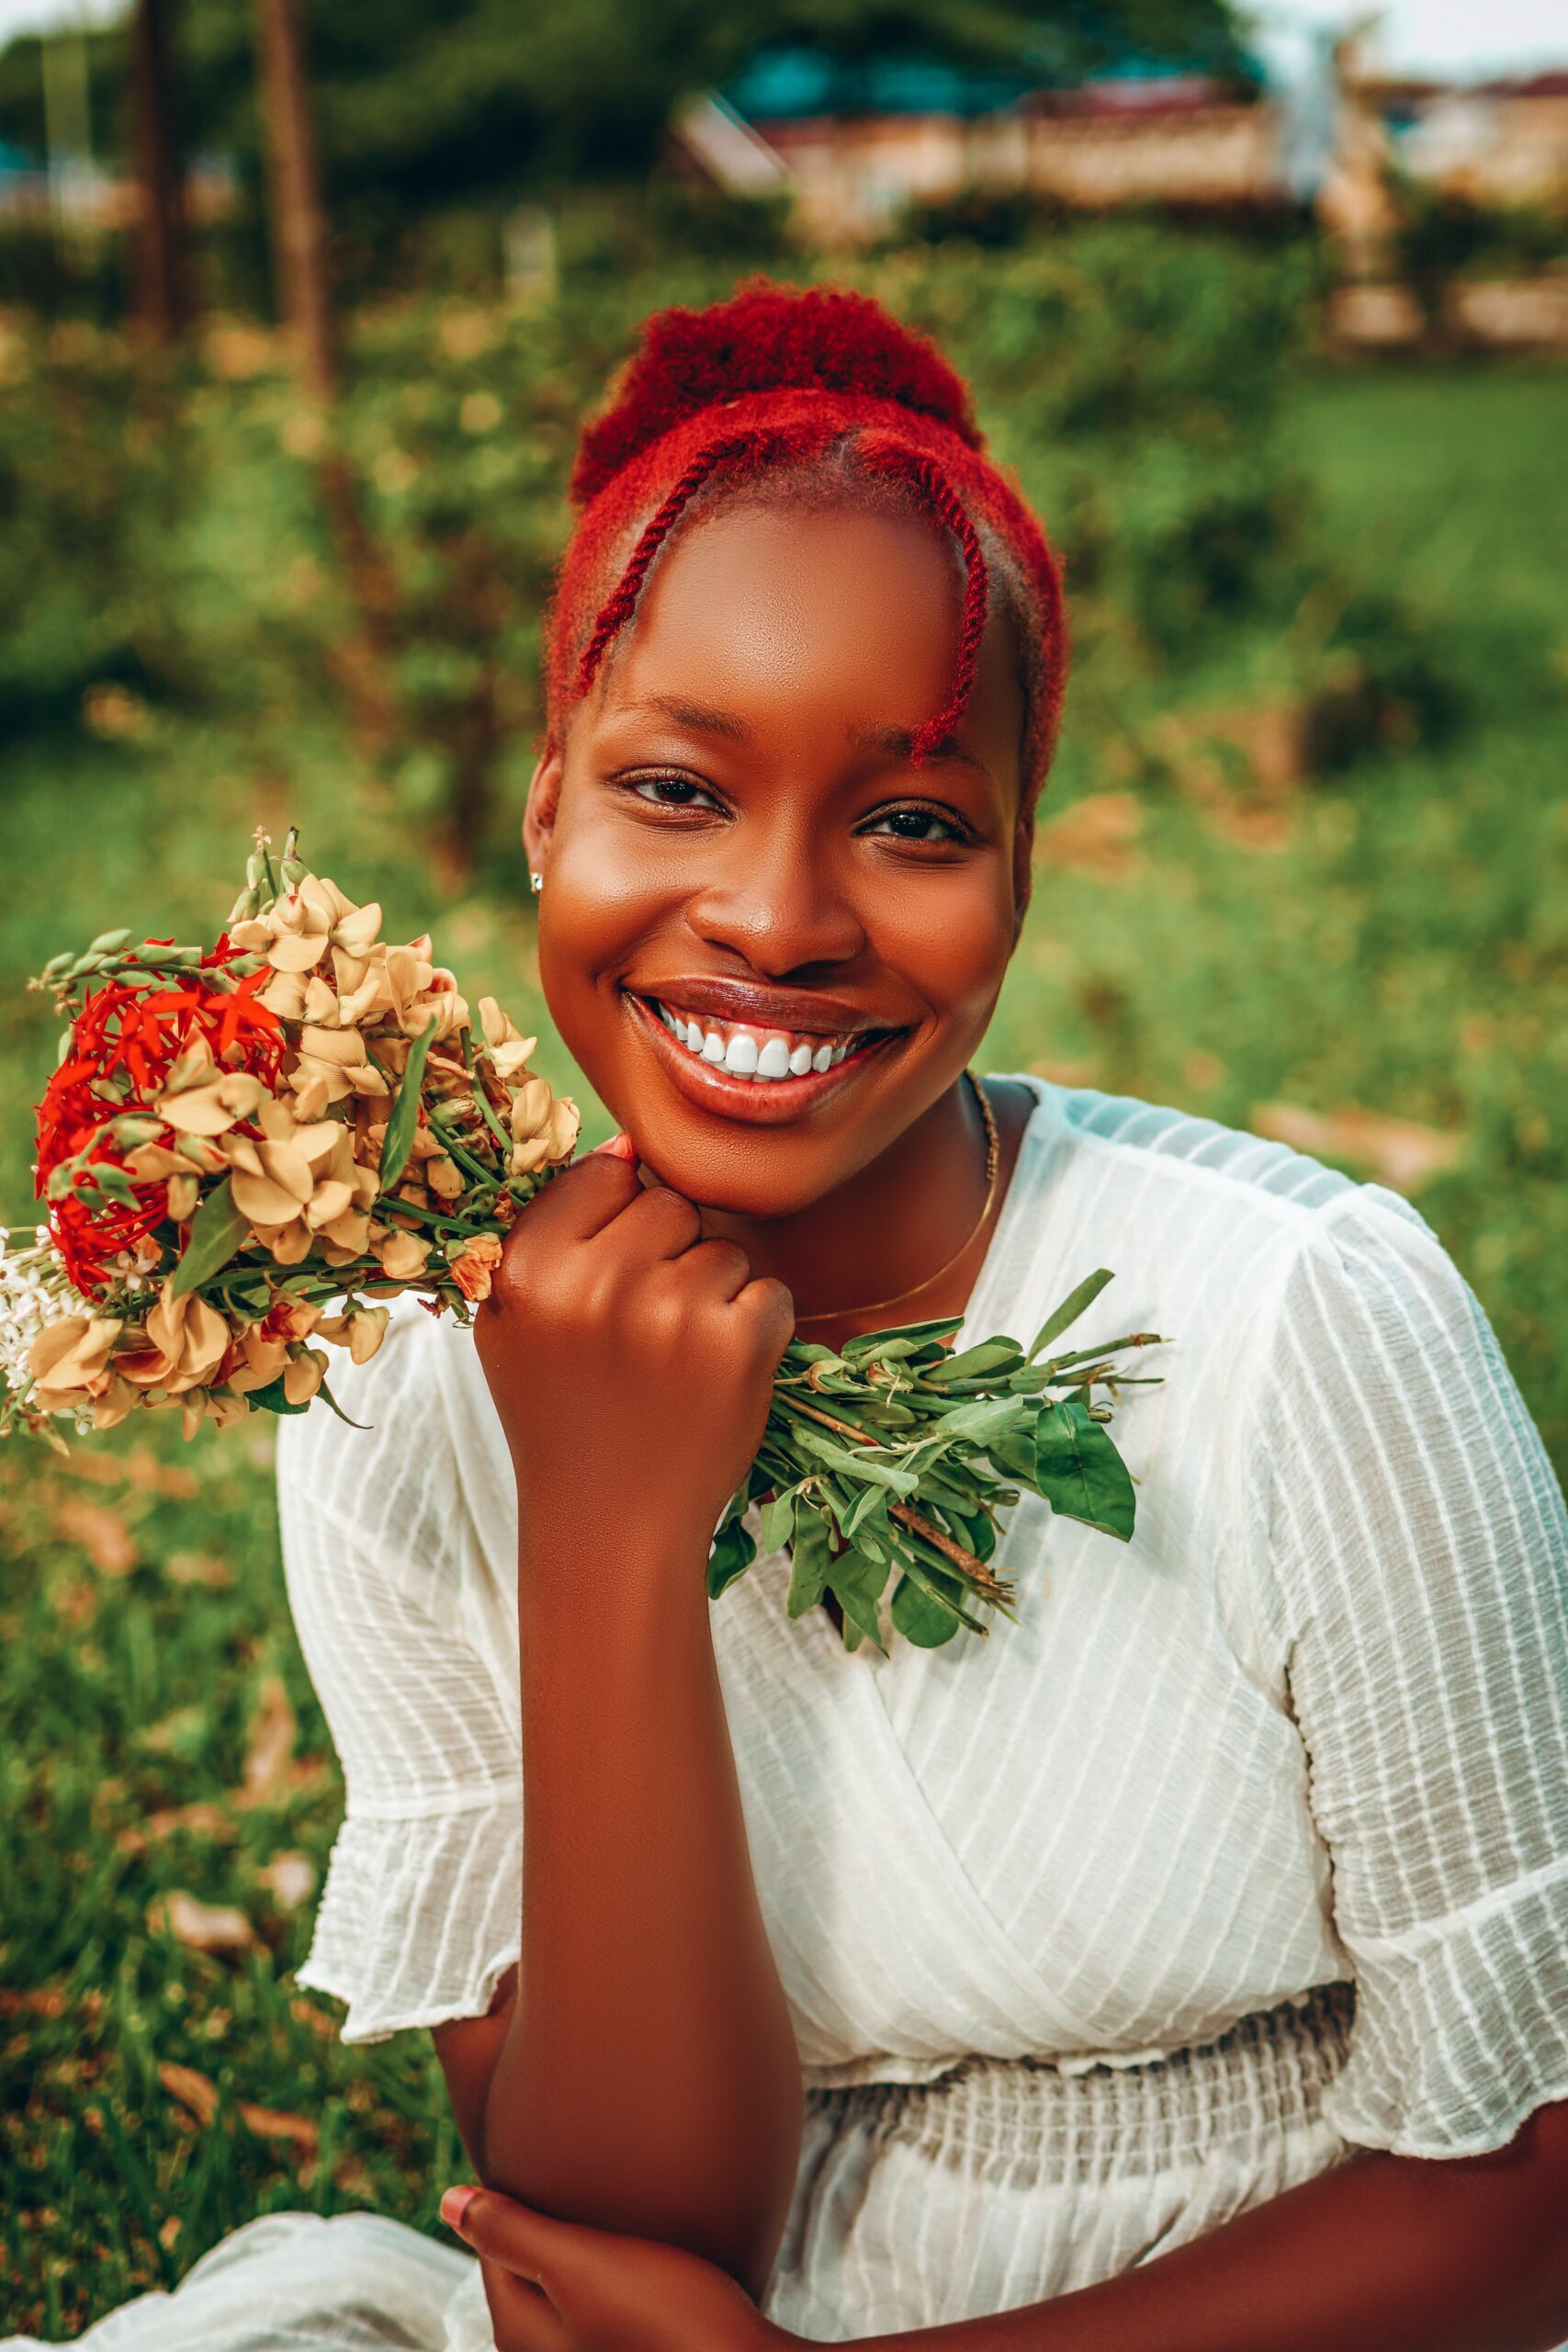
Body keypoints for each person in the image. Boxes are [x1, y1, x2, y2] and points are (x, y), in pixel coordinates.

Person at [21, 281, 1568, 2352]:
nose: (773, 914)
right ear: (542, 801)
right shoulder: (395, 1392)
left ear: (1020, 874)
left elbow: (1529, 2191)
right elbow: (610, 2227)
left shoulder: (1299, 1319)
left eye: (912, 819)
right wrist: (603, 1534)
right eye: (674, 787)